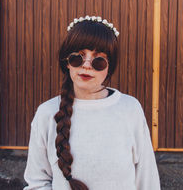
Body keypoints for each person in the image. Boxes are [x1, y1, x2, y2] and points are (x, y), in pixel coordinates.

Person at [24, 15, 161, 190]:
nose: (87, 65)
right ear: (67, 62)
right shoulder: (47, 113)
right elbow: (37, 182)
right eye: (78, 57)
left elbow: (147, 178)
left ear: (109, 68)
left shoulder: (130, 109)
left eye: (98, 60)